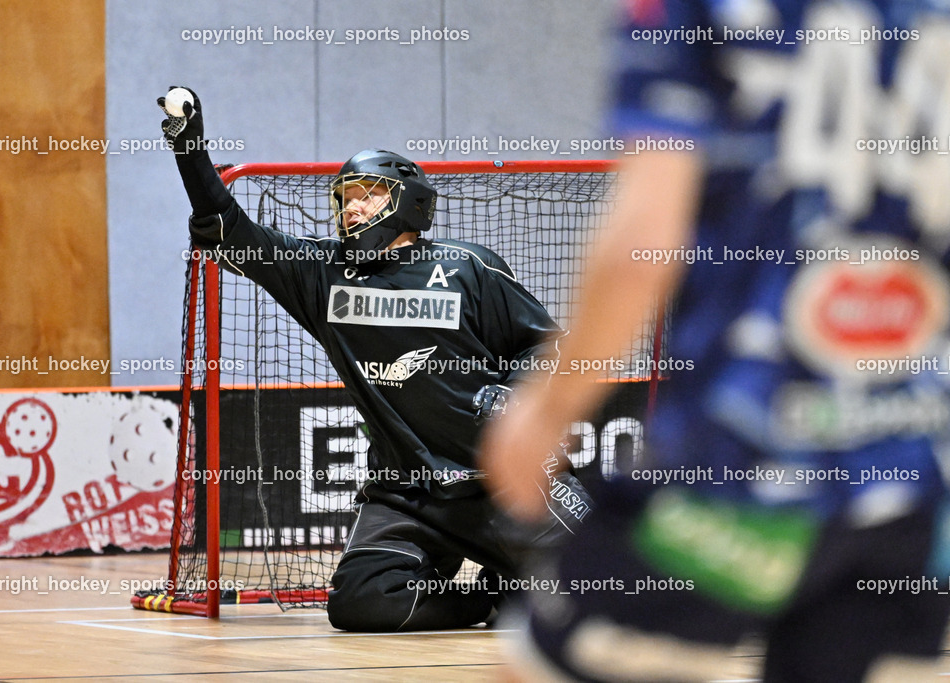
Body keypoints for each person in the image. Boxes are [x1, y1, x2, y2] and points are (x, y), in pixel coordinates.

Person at [480, 1, 950, 680]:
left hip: (740, 463)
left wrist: (548, 407)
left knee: (534, 667)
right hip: (913, 488)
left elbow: (641, 242)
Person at [157, 89, 592, 632]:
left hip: (506, 483)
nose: (352, 207)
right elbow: (228, 231)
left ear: (408, 201)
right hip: (405, 497)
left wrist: (517, 393)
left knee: (601, 587)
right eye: (345, 197)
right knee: (361, 604)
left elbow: (550, 348)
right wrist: (189, 149)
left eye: (368, 193)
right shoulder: (324, 272)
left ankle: (520, 575)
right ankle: (490, 600)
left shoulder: (469, 268)